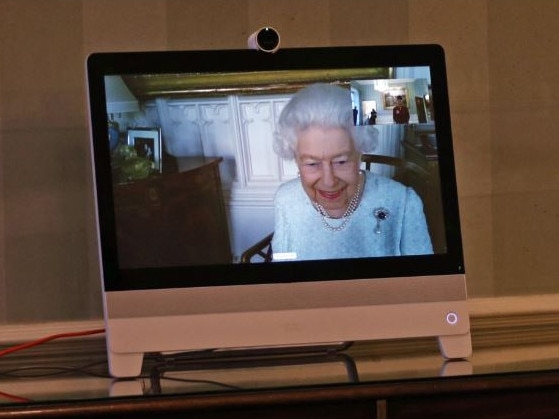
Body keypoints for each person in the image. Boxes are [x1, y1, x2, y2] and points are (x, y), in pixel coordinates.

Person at [271, 83, 432, 261]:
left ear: (359, 153)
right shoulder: (285, 199)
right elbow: (283, 261)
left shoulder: (402, 202)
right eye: (312, 163)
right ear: (296, 159)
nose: (329, 181)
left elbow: (425, 282)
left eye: (341, 162)